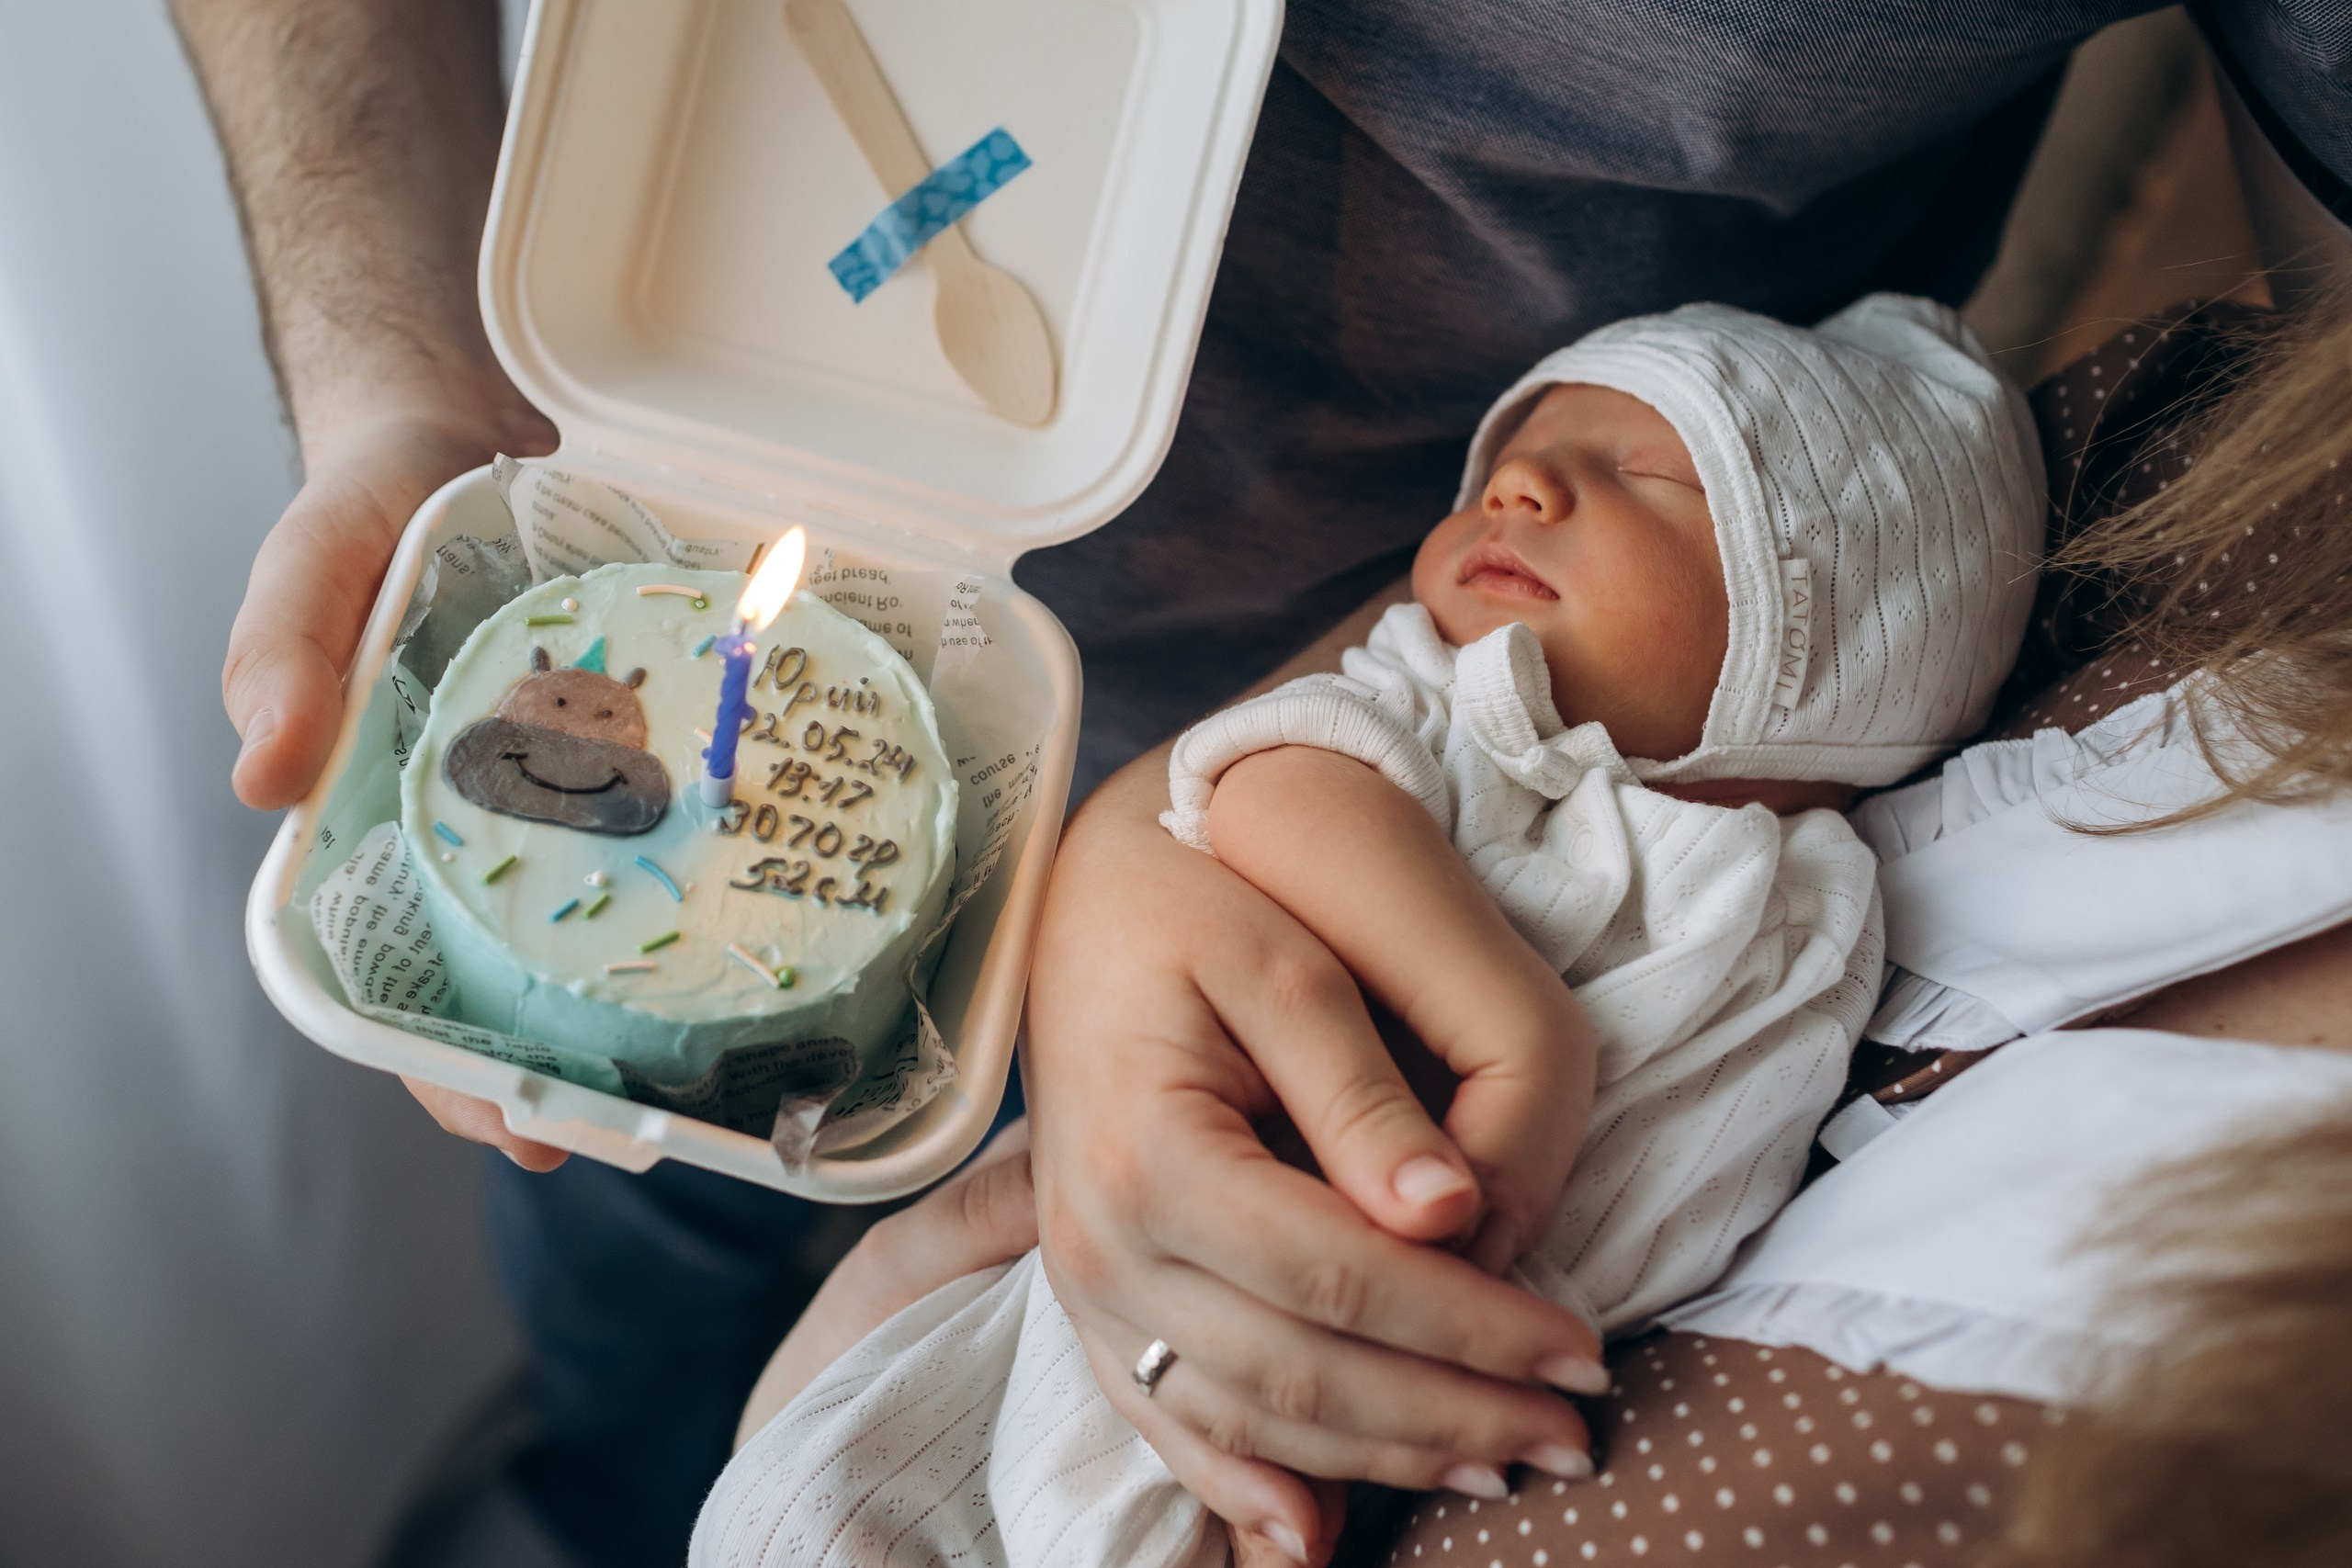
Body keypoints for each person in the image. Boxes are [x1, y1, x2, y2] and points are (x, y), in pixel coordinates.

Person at [171, 0, 2352, 1561]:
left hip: (1230, 1176)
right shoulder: (1438, 720)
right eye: (1545, 446)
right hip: (694, 558)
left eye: (1633, 476)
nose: (1527, 474)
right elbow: (1338, 782)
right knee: (641, 1273)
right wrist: (399, 390)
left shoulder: (1817, 839)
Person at [695, 294, 2044, 1565]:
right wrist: (1504, 1015)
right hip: (1154, 1232)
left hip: (1377, 1357)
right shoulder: (1455, 696)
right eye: (1512, 457)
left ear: (1846, 652)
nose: (1521, 485)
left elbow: (1706, 1182)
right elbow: (1268, 776)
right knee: (867, 1495)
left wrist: (1463, 1350)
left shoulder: (1807, 911)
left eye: (1648, 475)